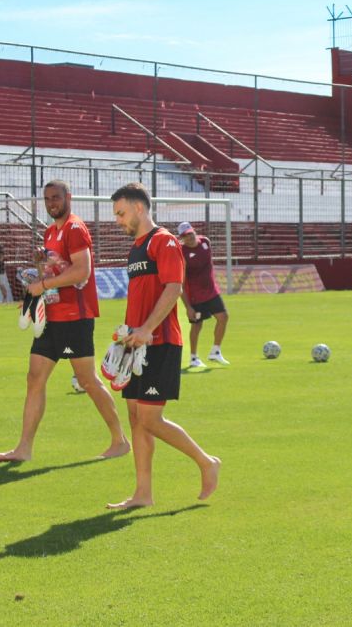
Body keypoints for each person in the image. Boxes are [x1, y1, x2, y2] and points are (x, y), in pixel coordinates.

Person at [0, 179, 130, 463]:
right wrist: (40, 275)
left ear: (69, 197)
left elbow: (82, 271)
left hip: (74, 317)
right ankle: (24, 448)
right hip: (52, 316)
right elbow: (55, 271)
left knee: (88, 380)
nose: (52, 203)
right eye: (47, 199)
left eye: (56, 197)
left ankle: (120, 440)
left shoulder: (75, 229)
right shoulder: (51, 232)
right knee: (34, 379)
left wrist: (44, 284)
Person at [107, 182, 220, 507]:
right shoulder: (136, 247)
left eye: (121, 213)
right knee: (135, 417)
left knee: (150, 419)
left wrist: (146, 328)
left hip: (160, 342)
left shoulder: (164, 242)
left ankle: (206, 462)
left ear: (139, 208)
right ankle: (142, 494)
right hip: (135, 344)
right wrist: (128, 335)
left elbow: (173, 288)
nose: (118, 220)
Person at [177, 221, 229, 368]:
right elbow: (181, 281)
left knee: (223, 317)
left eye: (190, 234)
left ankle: (216, 351)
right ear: (182, 238)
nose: (189, 237)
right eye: (185, 236)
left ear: (194, 231)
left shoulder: (206, 242)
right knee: (197, 326)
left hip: (211, 292)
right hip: (195, 296)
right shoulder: (182, 252)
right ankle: (193, 358)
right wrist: (188, 306)